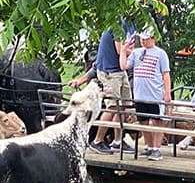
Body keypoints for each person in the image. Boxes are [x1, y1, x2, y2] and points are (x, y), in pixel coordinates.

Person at [72, 20, 136, 153]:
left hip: (120, 70)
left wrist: (130, 50)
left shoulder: (132, 23)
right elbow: (121, 50)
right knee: (112, 106)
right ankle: (97, 141)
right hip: (109, 72)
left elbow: (128, 48)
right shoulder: (118, 24)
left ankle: (118, 141)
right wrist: (139, 53)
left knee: (124, 106)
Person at [120, 26, 172, 161]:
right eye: (142, 39)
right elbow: (124, 66)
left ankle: (157, 148)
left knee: (157, 121)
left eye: (146, 39)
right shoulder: (136, 53)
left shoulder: (160, 54)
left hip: (154, 94)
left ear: (153, 39)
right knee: (143, 121)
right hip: (139, 94)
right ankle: (149, 146)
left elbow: (166, 74)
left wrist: (167, 93)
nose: (143, 41)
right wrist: (123, 51)